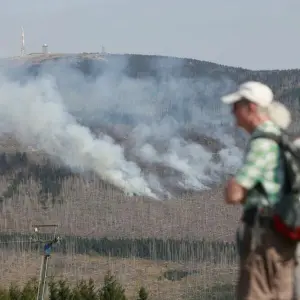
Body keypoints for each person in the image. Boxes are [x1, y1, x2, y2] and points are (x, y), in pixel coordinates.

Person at [221, 81, 296, 300]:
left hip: (264, 236)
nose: (232, 112)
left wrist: (233, 187)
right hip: (283, 236)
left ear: (251, 108)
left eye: (236, 106)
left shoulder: (262, 142)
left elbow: (234, 193)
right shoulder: (280, 138)